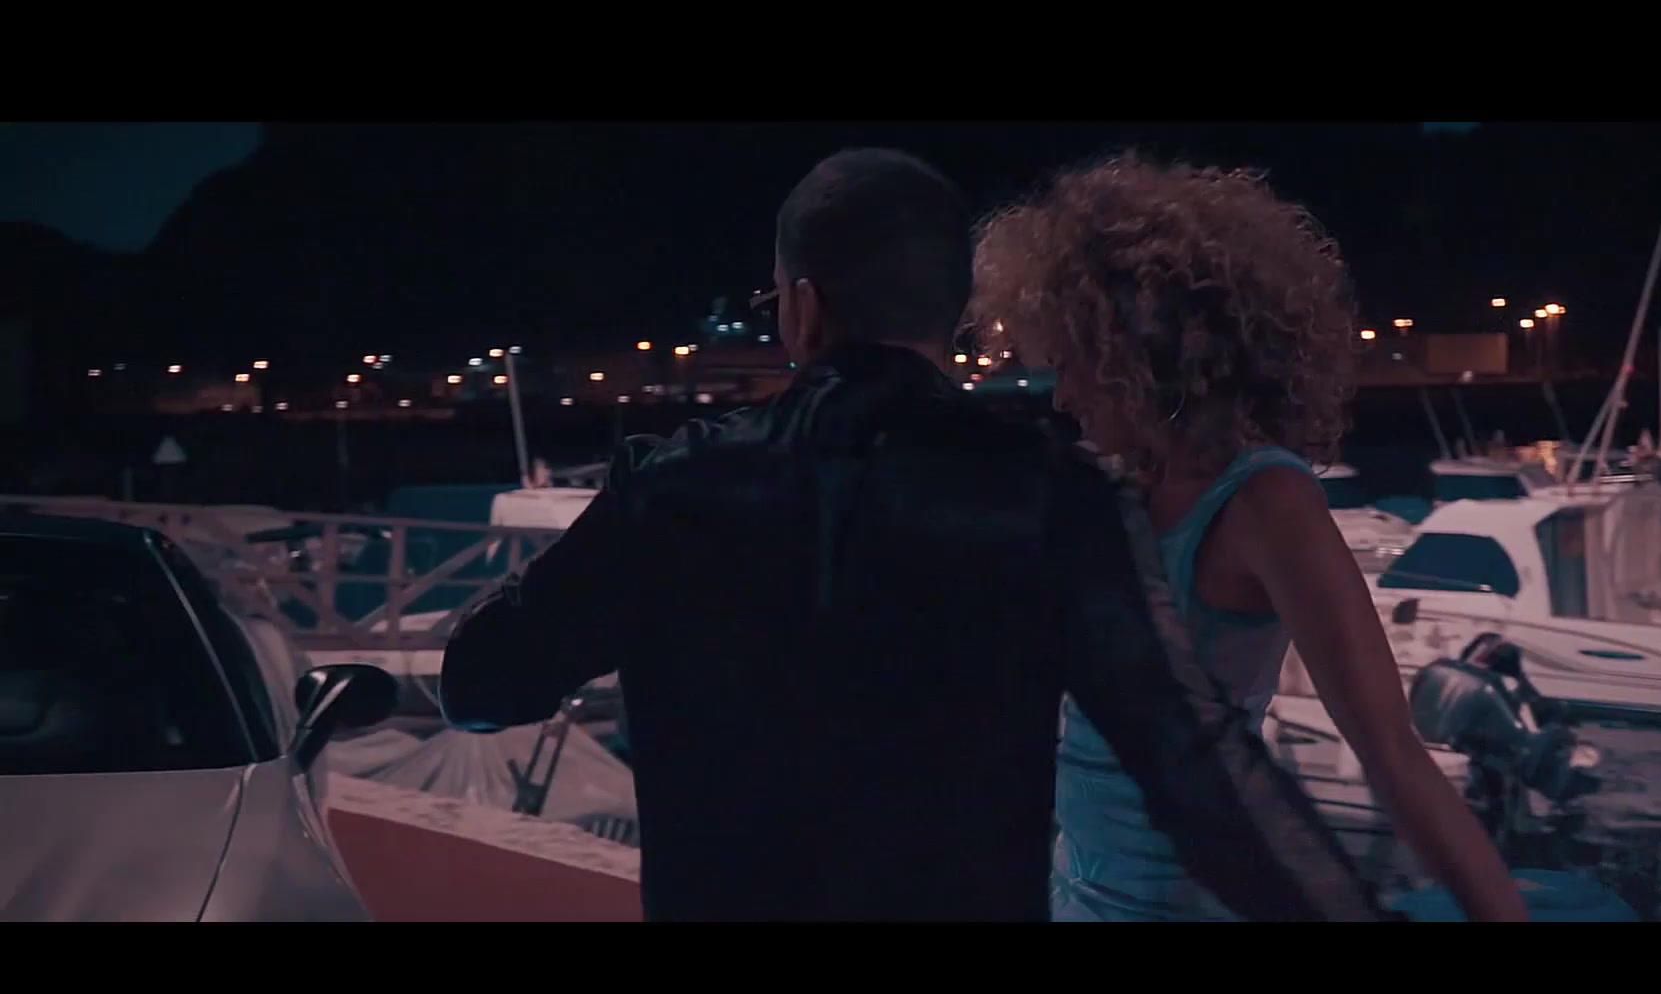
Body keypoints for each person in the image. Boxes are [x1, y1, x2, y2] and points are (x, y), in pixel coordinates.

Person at [438, 147, 1388, 921]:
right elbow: (1197, 776)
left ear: (802, 308)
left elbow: (480, 683)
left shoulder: (671, 487)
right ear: (951, 313)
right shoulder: (1050, 496)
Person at [970, 152, 1529, 922]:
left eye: (1072, 366)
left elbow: (1392, 753)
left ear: (1136, 354)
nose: (1061, 397)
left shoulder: (1265, 502)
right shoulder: (1115, 488)